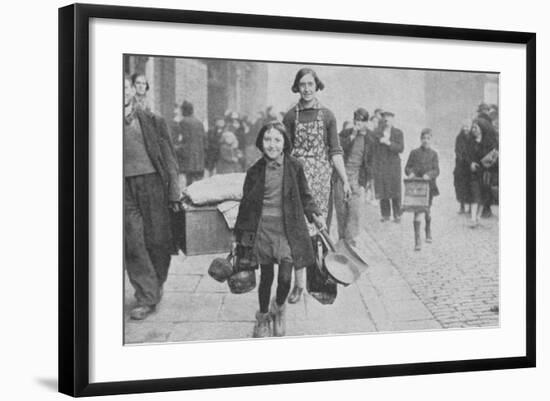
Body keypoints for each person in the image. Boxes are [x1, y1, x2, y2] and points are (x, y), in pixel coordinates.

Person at [234, 122, 326, 337]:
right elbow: (246, 205)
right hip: (263, 230)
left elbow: (306, 196)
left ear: (285, 142)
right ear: (261, 142)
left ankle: (279, 307)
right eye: (267, 139)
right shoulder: (254, 171)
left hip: (288, 230)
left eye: (277, 140)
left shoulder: (294, 167)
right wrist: (238, 236)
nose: (272, 145)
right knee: (266, 278)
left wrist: (316, 214)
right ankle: (263, 317)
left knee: (285, 278)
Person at [282, 67, 350, 304]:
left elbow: (335, 151)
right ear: (297, 87)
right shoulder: (290, 117)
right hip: (297, 180)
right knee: (298, 231)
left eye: (311, 84)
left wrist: (345, 179)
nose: (307, 89)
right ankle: (298, 285)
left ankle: (320, 281)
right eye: (303, 85)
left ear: (317, 86)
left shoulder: (328, 116)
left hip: (322, 180)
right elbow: (284, 152)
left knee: (320, 229)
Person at [123, 75, 181, 320]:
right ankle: (147, 296)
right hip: (123, 187)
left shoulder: (152, 120)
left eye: (124, 87)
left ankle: (156, 283)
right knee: (133, 241)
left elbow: (168, 157)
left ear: (131, 91)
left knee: (157, 240)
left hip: (153, 184)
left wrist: (174, 191)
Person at [334, 108, 371, 245]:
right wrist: (352, 136)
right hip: (341, 176)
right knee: (341, 210)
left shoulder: (370, 139)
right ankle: (342, 239)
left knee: (354, 210)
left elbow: (371, 163)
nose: (358, 123)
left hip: (356, 178)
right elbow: (337, 149)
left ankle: (349, 239)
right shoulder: (345, 133)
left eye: (361, 121)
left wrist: (365, 183)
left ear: (366, 122)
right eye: (356, 120)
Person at [405, 128, 440, 251]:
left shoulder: (434, 154)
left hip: (429, 186)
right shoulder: (414, 153)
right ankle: (417, 240)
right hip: (416, 186)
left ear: (431, 140)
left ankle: (428, 229)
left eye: (428, 138)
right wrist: (411, 173)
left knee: (427, 211)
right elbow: (408, 167)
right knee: (417, 212)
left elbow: (437, 170)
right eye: (424, 138)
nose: (426, 140)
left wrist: (429, 175)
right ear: (421, 139)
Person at [372, 110, 404, 222]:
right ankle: (385, 214)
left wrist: (389, 143)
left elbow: (401, 148)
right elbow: (374, 150)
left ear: (393, 120)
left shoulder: (398, 133)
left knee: (395, 190)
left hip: (394, 166)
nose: (387, 121)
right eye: (385, 118)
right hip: (381, 165)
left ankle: (397, 214)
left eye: (389, 118)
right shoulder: (377, 133)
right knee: (383, 189)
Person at [465, 119, 497, 228]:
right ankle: (473, 219)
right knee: (475, 195)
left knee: (484, 196)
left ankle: (478, 218)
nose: (473, 130)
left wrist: (492, 160)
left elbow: (493, 155)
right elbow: (466, 156)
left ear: (481, 129)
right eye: (472, 128)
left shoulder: (487, 143)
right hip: (474, 173)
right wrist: (470, 163)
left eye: (476, 128)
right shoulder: (470, 142)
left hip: (485, 173)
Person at [176, 101, 206, 186]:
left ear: (184, 110)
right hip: (199, 156)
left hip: (188, 155)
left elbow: (183, 139)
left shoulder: (183, 122)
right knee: (197, 180)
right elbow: (204, 139)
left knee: (188, 180)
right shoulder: (199, 122)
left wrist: (177, 148)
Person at [453, 121, 472, 214]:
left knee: (470, 186)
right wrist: (461, 159)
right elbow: (457, 150)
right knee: (460, 186)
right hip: (460, 166)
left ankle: (471, 208)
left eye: (468, 127)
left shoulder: (472, 138)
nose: (466, 129)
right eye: (464, 127)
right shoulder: (459, 138)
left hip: (469, 167)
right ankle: (462, 206)